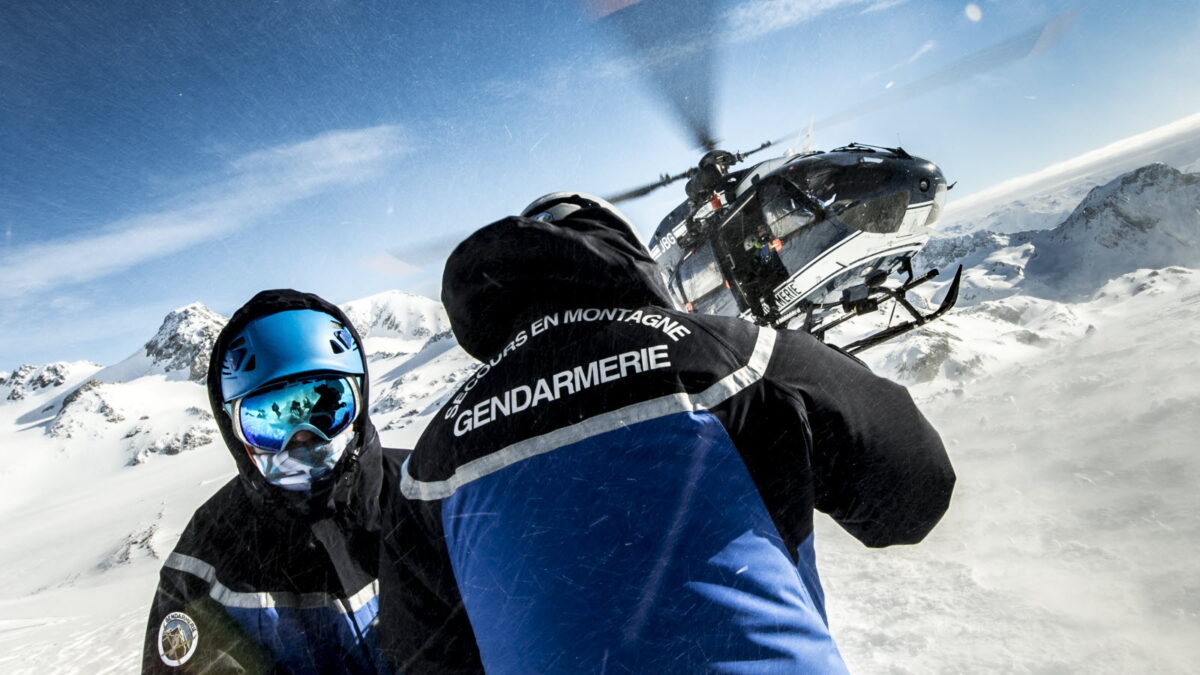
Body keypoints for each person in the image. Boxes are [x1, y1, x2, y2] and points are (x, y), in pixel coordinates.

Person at [378, 192, 956, 674]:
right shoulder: (741, 355)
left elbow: (423, 661)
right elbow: (913, 497)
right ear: (628, 257)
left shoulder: (430, 466)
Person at [142, 289, 402, 674]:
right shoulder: (209, 552)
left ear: (359, 402)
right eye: (267, 420)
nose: (300, 437)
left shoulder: (424, 491)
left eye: (326, 406)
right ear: (235, 431)